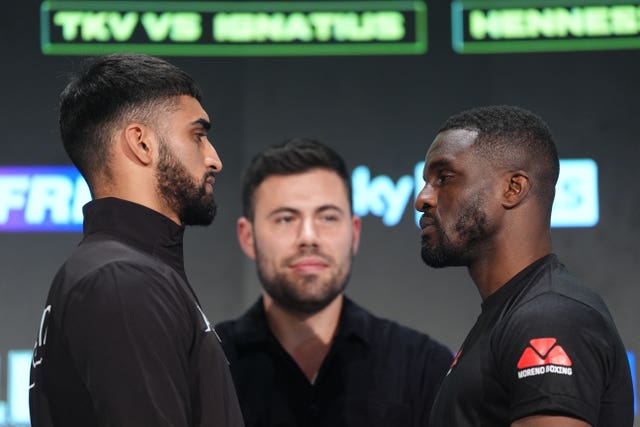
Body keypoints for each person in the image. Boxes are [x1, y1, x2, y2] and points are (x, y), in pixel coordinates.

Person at [29, 53, 244, 427]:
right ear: (141, 143)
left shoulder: (122, 271)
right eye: (198, 135)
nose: (214, 158)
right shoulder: (121, 279)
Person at [415, 105, 634, 427]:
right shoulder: (515, 314)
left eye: (444, 178)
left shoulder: (550, 318)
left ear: (513, 188)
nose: (422, 198)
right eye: (427, 181)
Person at [216, 137, 453, 427]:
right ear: (248, 237)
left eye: (327, 217)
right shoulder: (208, 366)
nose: (308, 237)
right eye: (285, 219)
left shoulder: (422, 366)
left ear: (354, 233)